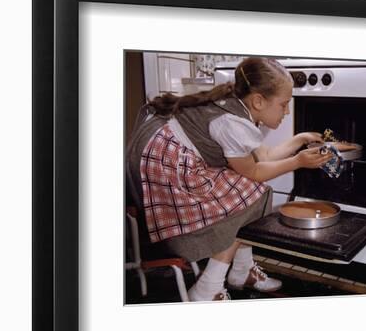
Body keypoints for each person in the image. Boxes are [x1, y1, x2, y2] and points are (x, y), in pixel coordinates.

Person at [127, 57, 333, 301]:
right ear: (258, 101)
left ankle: (241, 271)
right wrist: (298, 162)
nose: (287, 112)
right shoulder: (232, 122)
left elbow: (261, 157)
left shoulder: (238, 107)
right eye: (284, 104)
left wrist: (299, 139)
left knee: (250, 191)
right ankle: (208, 288)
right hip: (163, 172)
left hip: (162, 161)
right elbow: (255, 172)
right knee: (253, 192)